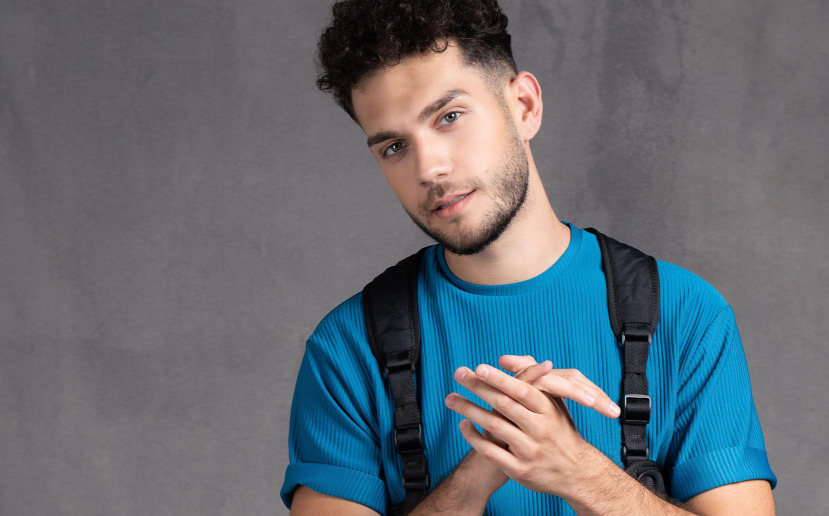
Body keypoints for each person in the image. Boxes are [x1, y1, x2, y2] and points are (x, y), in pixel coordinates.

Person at [281, 1, 777, 514]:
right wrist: (486, 463)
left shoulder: (686, 312)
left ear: (524, 106)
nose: (428, 168)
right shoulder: (346, 347)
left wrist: (580, 471)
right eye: (393, 147)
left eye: (449, 117)